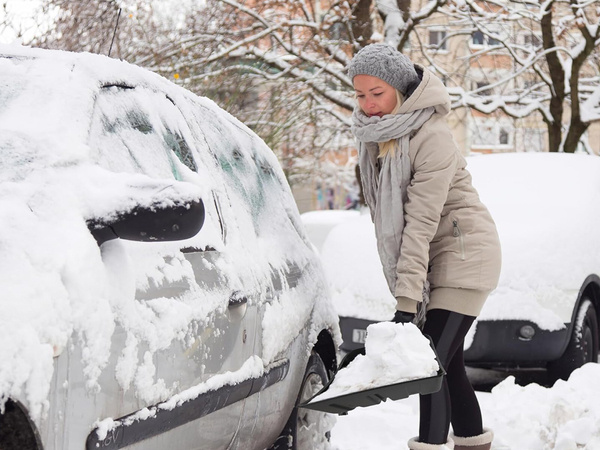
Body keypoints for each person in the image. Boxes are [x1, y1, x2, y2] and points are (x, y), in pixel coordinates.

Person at [346, 43, 502, 450]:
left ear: (399, 89)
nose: (368, 104)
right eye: (360, 95)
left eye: (376, 93)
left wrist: (405, 302)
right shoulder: (375, 137)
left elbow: (418, 225)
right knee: (449, 368)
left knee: (428, 365)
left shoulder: (431, 135)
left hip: (466, 254)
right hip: (435, 257)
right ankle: (473, 443)